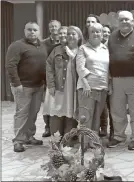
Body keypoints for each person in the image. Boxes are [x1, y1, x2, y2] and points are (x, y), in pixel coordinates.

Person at [107, 11, 134, 150]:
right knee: (117, 111)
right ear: (118, 22)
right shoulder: (111, 37)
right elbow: (107, 58)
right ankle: (119, 137)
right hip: (116, 80)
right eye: (122, 20)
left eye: (127, 20)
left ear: (133, 22)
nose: (124, 22)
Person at [6, 22, 47, 152]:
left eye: (35, 30)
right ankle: (18, 141)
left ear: (39, 32)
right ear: (24, 31)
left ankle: (29, 136)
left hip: (38, 85)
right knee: (22, 113)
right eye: (29, 30)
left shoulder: (42, 46)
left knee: (33, 113)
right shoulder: (17, 46)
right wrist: (16, 83)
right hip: (23, 86)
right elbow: (10, 65)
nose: (32, 32)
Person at [44, 26, 83, 137]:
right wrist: (50, 85)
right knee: (56, 112)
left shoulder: (83, 50)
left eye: (73, 34)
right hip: (59, 86)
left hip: (75, 88)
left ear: (79, 36)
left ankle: (68, 140)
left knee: (72, 112)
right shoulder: (57, 50)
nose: (70, 36)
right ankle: (56, 139)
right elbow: (49, 66)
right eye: (68, 34)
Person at [76, 23, 110, 134]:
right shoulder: (83, 48)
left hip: (102, 88)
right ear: (88, 34)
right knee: (86, 118)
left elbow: (108, 69)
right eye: (93, 31)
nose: (96, 34)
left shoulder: (105, 49)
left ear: (102, 34)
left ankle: (93, 142)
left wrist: (109, 85)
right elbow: (80, 68)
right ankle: (84, 144)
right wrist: (85, 84)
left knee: (97, 119)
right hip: (87, 88)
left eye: (98, 31)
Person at [41, 20, 62, 138]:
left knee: (57, 104)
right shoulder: (43, 43)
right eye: (52, 26)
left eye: (56, 26)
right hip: (46, 76)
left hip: (60, 77)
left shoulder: (64, 42)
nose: (54, 28)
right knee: (47, 105)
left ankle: (58, 128)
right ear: (49, 29)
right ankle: (47, 127)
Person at [99, 24, 113, 138]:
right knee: (102, 107)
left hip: (111, 80)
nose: (106, 34)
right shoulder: (96, 46)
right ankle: (103, 127)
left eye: (108, 32)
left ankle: (113, 130)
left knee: (112, 107)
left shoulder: (113, 46)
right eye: (104, 31)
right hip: (100, 80)